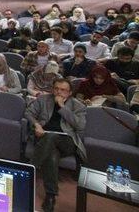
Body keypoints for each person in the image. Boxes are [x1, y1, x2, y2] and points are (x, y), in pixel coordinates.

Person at [25, 79, 86, 212]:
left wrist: (63, 108)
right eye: (56, 88)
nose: (59, 92)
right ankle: (51, 196)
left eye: (63, 90)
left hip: (67, 142)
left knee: (51, 137)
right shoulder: (44, 99)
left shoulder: (78, 106)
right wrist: (37, 125)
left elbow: (80, 126)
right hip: (44, 137)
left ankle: (30, 168)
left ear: (69, 93)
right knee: (52, 156)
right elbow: (29, 113)